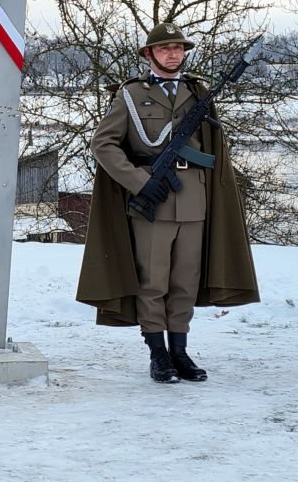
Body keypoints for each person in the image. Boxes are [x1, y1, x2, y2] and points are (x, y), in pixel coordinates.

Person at [77, 23, 259, 383]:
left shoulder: (198, 92)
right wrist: (139, 183)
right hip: (152, 199)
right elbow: (103, 144)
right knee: (153, 282)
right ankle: (158, 355)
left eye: (178, 48)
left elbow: (212, 148)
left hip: (194, 197)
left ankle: (180, 352)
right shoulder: (131, 94)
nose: (173, 54)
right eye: (165, 49)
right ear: (149, 54)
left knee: (185, 282)